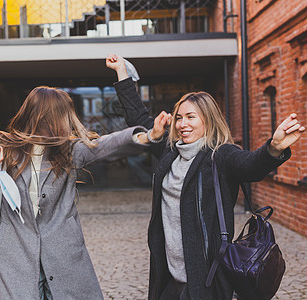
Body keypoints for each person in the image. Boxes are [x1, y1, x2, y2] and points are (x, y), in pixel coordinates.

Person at [106, 54, 304, 300]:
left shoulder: (220, 155)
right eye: (179, 117)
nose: (182, 124)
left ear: (208, 120)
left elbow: (251, 166)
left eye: (191, 117)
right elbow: (138, 118)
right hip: (168, 274)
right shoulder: (170, 150)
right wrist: (121, 73)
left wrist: (273, 148)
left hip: (206, 278)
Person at [0, 86, 150, 299]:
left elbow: (105, 145)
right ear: (37, 116)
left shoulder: (69, 151)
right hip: (17, 256)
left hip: (65, 255)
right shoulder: (1, 146)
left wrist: (146, 137)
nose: (60, 124)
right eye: (55, 117)